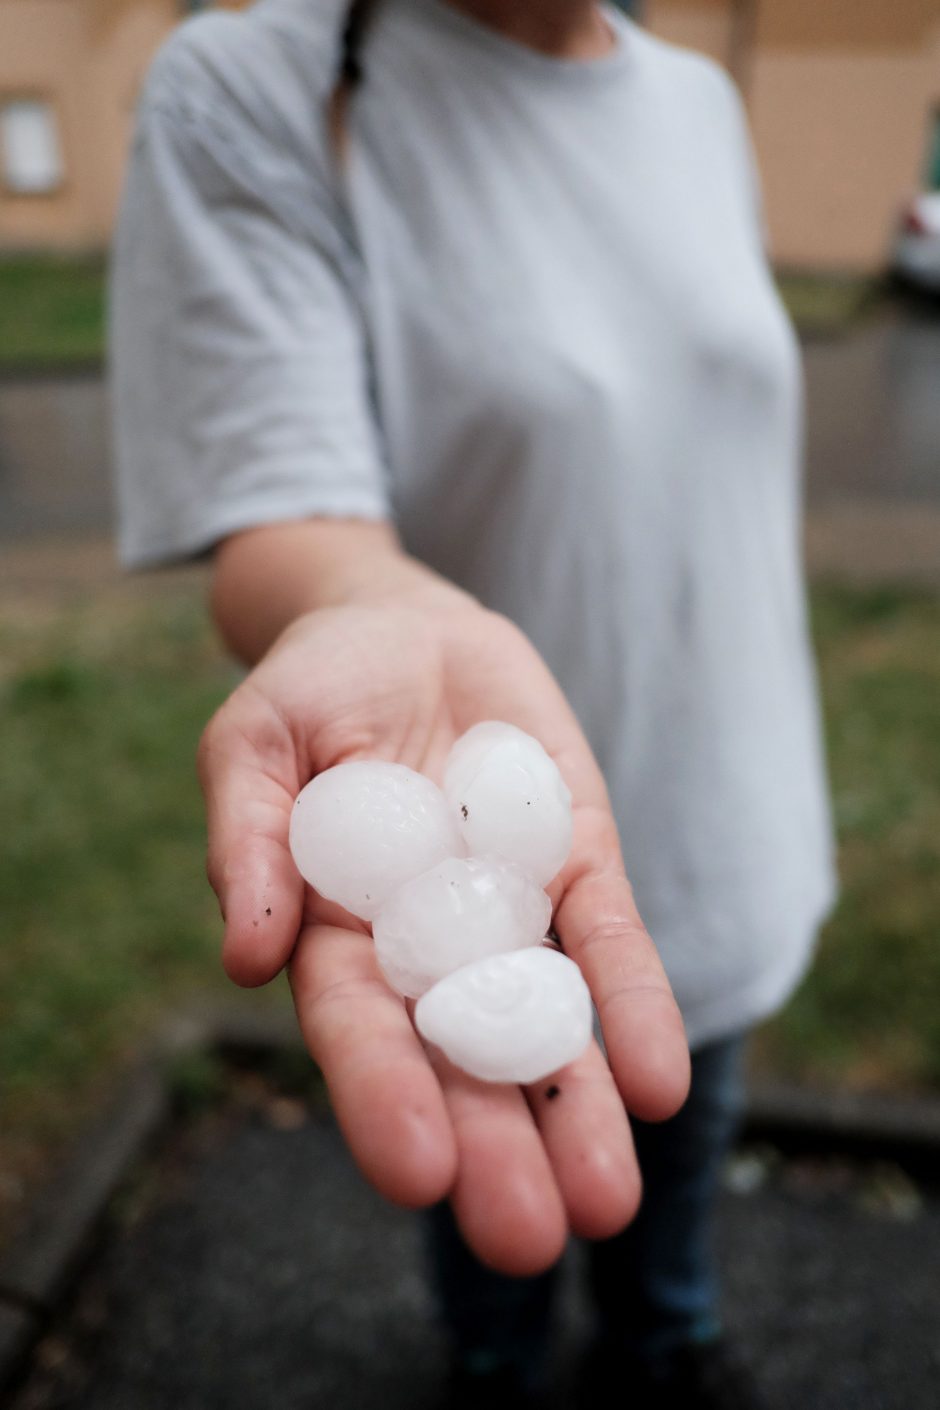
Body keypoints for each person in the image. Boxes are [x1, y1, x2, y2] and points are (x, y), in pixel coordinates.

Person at [109, 1, 837, 1405]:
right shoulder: (255, 85)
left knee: (676, 1185)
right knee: (505, 1198)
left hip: (729, 812)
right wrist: (372, 605)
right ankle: (493, 1363)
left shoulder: (696, 101)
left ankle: (664, 1344)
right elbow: (279, 510)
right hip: (494, 857)